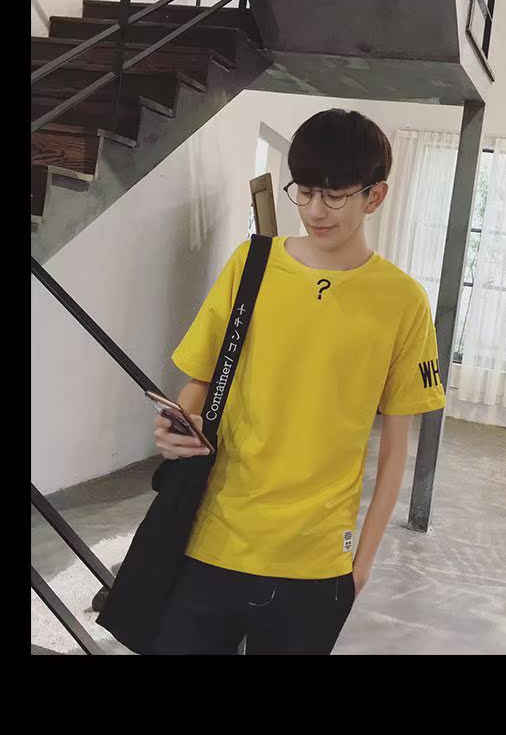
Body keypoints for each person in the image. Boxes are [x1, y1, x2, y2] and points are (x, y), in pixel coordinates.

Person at [151, 108, 446, 654]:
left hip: (316, 562)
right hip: (213, 539)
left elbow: (396, 450)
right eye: (304, 191)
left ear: (375, 196)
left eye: (334, 195)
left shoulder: (403, 301)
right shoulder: (252, 264)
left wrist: (362, 562)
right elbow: (200, 380)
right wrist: (181, 424)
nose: (314, 210)